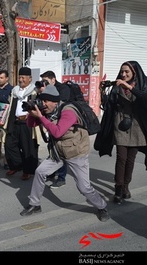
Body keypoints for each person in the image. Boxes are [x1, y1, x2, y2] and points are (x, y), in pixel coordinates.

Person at [20, 84, 110, 222]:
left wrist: (41, 117)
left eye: (46, 101)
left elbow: (57, 132)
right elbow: (30, 125)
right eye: (42, 101)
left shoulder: (68, 111)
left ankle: (101, 206)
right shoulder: (49, 111)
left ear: (55, 101)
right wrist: (32, 113)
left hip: (76, 152)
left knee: (84, 187)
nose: (43, 104)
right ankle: (35, 204)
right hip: (59, 152)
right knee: (40, 171)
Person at [94, 61, 147, 204]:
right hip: (120, 124)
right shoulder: (116, 87)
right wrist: (102, 93)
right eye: (122, 71)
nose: (123, 75)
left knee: (131, 159)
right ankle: (118, 188)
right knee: (121, 157)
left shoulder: (143, 84)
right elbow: (108, 106)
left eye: (127, 72)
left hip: (137, 126)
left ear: (134, 72)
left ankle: (126, 186)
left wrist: (130, 87)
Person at [2, 67, 38, 180]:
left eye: (23, 77)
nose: (21, 80)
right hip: (15, 122)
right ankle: (16, 166)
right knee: (9, 144)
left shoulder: (34, 91)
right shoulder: (15, 91)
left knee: (27, 147)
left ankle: (27, 170)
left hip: (27, 123)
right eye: (20, 77)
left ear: (30, 78)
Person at [39, 70, 71, 188]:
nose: (44, 84)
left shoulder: (63, 88)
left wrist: (48, 93)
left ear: (53, 80)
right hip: (50, 124)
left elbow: (59, 103)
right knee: (51, 149)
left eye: (46, 81)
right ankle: (52, 172)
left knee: (61, 151)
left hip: (63, 125)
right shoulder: (46, 89)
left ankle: (61, 178)